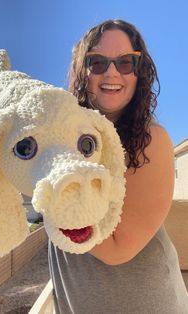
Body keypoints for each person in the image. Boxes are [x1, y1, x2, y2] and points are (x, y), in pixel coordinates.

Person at [48, 19, 188, 313]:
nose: (112, 72)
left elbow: (117, 250)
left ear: (139, 72)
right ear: (82, 71)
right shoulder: (60, 138)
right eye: (97, 62)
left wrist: (46, 189)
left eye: (125, 62)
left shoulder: (151, 140)